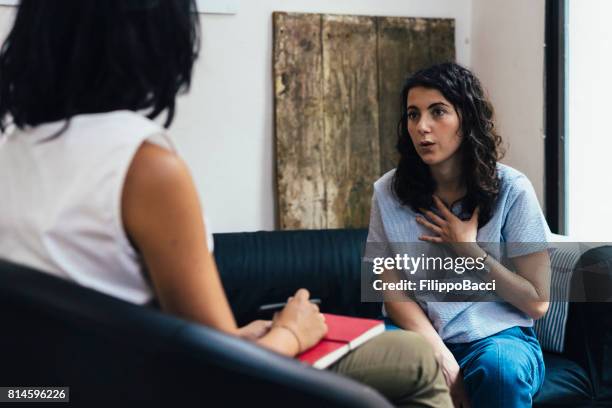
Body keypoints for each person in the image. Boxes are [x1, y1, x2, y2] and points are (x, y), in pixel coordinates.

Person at [0, 1, 451, 407]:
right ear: (155, 38)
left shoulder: (13, 150)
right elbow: (215, 373)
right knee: (414, 358)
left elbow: (139, 324)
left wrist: (237, 336)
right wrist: (291, 332)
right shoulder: (144, 167)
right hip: (147, 388)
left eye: (437, 113)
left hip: (63, 387)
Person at [368, 62, 550, 408]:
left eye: (438, 112)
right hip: (417, 334)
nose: (422, 127)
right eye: (412, 114)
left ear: (466, 119)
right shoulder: (387, 193)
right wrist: (438, 353)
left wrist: (468, 250)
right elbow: (392, 292)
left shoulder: (513, 189)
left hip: (499, 338)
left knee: (500, 370)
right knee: (364, 369)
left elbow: (537, 302)